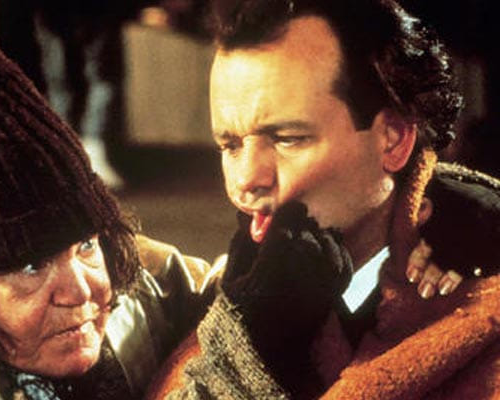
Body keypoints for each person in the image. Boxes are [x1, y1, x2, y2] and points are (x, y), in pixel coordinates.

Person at [148, 0, 500, 398]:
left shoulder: (477, 296)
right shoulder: (216, 298)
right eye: (229, 145)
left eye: (288, 139)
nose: (245, 180)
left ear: (394, 139)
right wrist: (254, 348)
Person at [0, 8, 215, 400]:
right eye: (31, 267)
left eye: (85, 245)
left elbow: (234, 289)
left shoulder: (141, 283)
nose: (80, 291)